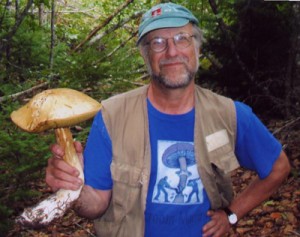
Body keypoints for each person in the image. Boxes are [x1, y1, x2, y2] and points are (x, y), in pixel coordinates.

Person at [46, 3, 291, 237]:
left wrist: (231, 214)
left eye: (182, 38)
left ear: (197, 49)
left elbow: (278, 167)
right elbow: (96, 204)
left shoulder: (230, 114)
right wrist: (73, 189)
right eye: (158, 42)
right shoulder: (112, 116)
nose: (172, 51)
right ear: (146, 55)